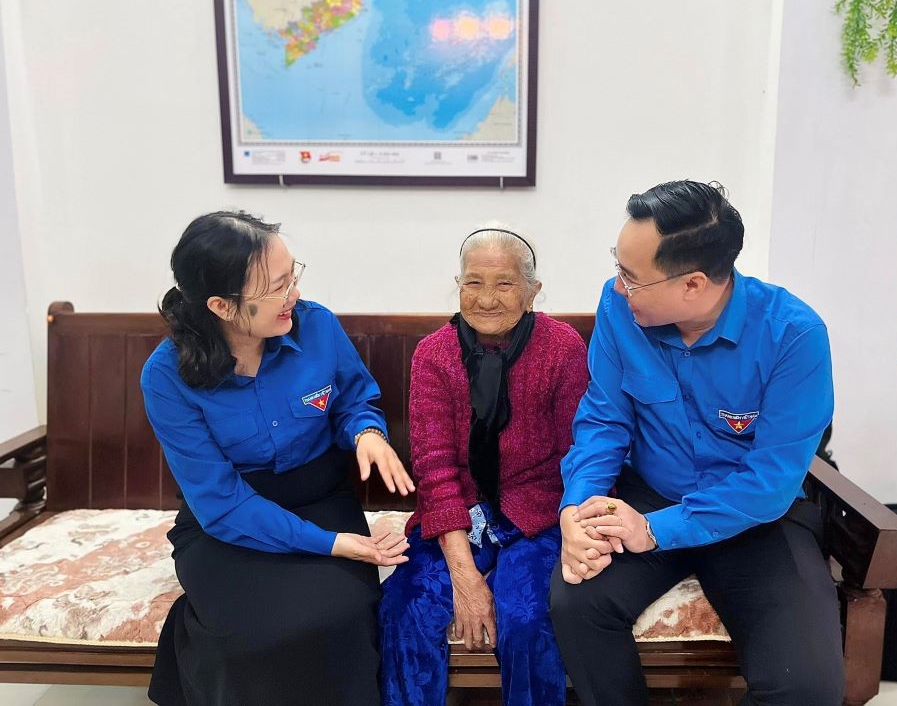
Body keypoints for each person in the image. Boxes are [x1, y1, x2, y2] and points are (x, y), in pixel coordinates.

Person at [548, 181, 844, 706]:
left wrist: (655, 531)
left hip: (755, 517)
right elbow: (603, 420)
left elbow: (772, 481)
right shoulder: (622, 311)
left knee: (808, 686)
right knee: (577, 601)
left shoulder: (793, 335)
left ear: (694, 284)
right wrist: (578, 508)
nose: (618, 288)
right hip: (649, 493)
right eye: (618, 267)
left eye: (632, 279)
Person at [141, 211, 414, 706]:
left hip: (319, 496)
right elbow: (220, 503)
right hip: (225, 520)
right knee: (249, 635)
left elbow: (352, 401)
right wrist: (333, 545)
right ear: (223, 306)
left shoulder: (317, 327)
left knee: (341, 615)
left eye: (293, 276)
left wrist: (367, 433)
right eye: (276, 287)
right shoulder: (167, 376)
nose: (294, 294)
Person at [379, 226, 590, 706]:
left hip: (537, 515)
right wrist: (464, 574)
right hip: (457, 515)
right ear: (458, 285)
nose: (487, 299)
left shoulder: (563, 348)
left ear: (533, 291)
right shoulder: (434, 353)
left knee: (529, 614)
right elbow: (433, 468)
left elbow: (576, 456)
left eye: (504, 283)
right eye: (473, 283)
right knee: (404, 607)